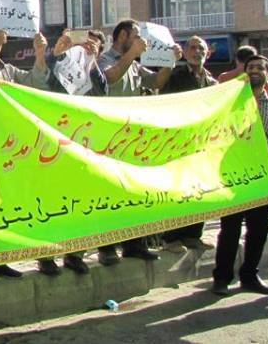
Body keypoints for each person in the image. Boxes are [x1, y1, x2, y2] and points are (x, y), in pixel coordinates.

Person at [96, 19, 181, 265]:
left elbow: (156, 82)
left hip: (132, 139)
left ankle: (134, 245)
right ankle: (107, 248)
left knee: (133, 191)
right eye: (136, 36)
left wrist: (169, 61)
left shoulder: (134, 65)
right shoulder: (104, 59)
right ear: (123, 36)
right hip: (109, 139)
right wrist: (132, 54)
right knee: (110, 195)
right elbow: (109, 78)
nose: (141, 41)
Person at [0, 22, 48, 279]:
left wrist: (39, 54)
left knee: (4, 205)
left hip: (9, 151)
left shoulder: (8, 70)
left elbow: (36, 84)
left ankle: (0, 260)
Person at [211, 55, 268, 296]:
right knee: (230, 230)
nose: (254, 70)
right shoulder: (231, 105)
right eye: (250, 67)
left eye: (259, 68)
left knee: (258, 230)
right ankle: (222, 277)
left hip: (262, 180)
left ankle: (250, 275)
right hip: (235, 177)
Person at [35, 29, 108, 277]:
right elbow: (44, 83)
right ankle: (46, 257)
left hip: (85, 146)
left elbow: (102, 93)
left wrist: (92, 62)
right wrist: (58, 54)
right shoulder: (58, 63)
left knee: (83, 202)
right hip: (56, 145)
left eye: (92, 47)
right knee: (52, 203)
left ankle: (75, 254)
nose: (85, 49)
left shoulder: (95, 73)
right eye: (83, 45)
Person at [160, 36, 218, 254]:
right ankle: (171, 238)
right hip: (178, 143)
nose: (197, 52)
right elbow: (165, 106)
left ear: (207, 53)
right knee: (177, 190)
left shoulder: (212, 83)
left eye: (201, 48)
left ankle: (193, 235)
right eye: (192, 48)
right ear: (184, 52)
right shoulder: (175, 77)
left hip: (201, 145)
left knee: (199, 188)